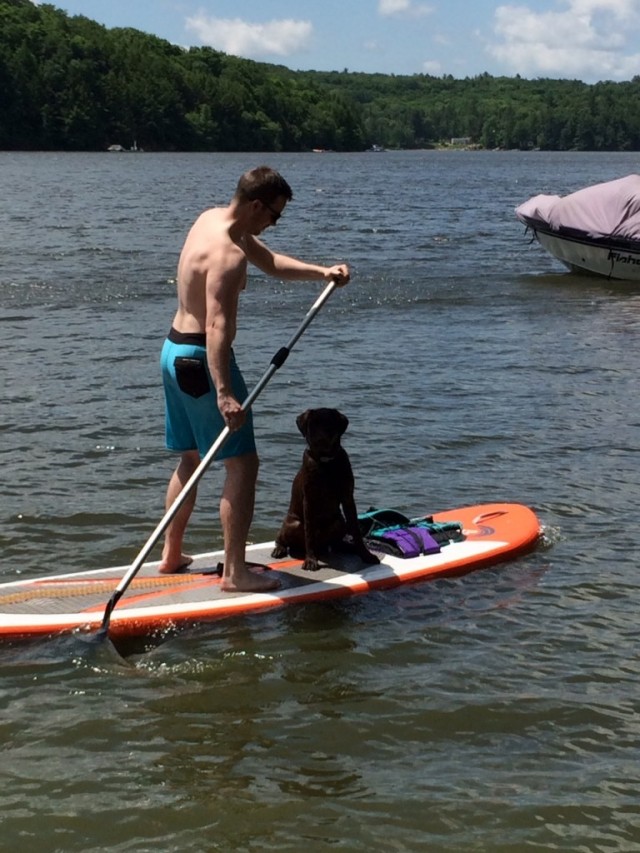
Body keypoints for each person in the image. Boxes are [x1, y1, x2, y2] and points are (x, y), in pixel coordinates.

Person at [158, 166, 350, 592]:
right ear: (257, 205)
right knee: (242, 465)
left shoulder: (211, 220)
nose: (274, 224)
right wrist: (224, 393)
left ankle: (171, 555)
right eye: (274, 216)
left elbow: (271, 262)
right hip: (202, 360)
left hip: (172, 352)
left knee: (190, 459)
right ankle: (234, 573)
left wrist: (322, 273)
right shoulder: (228, 256)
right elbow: (217, 329)